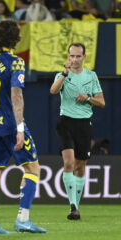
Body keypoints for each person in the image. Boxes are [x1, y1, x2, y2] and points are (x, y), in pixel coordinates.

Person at [0, 20, 46, 234]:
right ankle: (23, 220)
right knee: (33, 168)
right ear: (15, 38)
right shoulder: (15, 62)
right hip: (9, 124)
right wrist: (19, 128)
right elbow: (16, 96)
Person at [50, 42, 105, 220]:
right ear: (68, 57)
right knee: (69, 163)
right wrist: (64, 74)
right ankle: (72, 206)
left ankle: (77, 206)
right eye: (71, 56)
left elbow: (102, 102)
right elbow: (53, 90)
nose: (74, 59)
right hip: (65, 122)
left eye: (77, 56)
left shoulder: (91, 76)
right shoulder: (62, 75)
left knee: (80, 166)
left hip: (83, 124)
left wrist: (87, 98)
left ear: (84, 57)